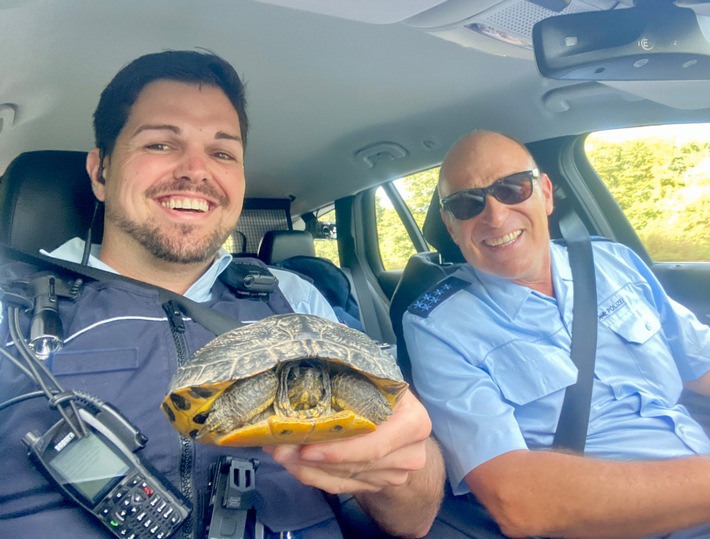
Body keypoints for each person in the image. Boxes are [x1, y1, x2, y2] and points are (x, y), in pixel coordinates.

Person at [0, 50, 445, 538]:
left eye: (222, 152)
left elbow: (415, 517)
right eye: (161, 145)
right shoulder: (10, 307)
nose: (196, 171)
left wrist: (401, 465)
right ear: (100, 172)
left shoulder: (297, 299)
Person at [402, 130, 710, 539]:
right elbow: (517, 500)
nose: (494, 216)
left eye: (512, 188)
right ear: (451, 225)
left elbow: (700, 365)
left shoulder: (612, 261)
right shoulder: (436, 327)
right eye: (466, 203)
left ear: (545, 193)